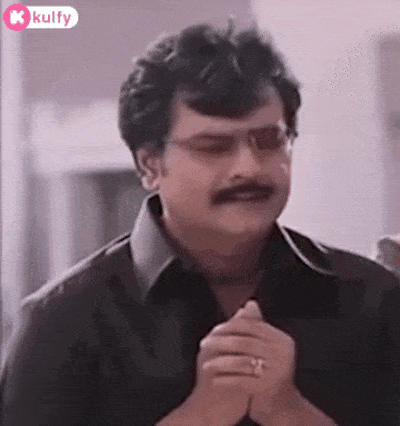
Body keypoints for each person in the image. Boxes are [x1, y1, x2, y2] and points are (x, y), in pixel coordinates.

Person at [1, 22, 399, 426]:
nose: (248, 168)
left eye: (269, 141)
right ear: (150, 166)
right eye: (214, 147)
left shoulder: (374, 298)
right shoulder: (62, 321)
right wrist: (201, 416)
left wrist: (289, 411)